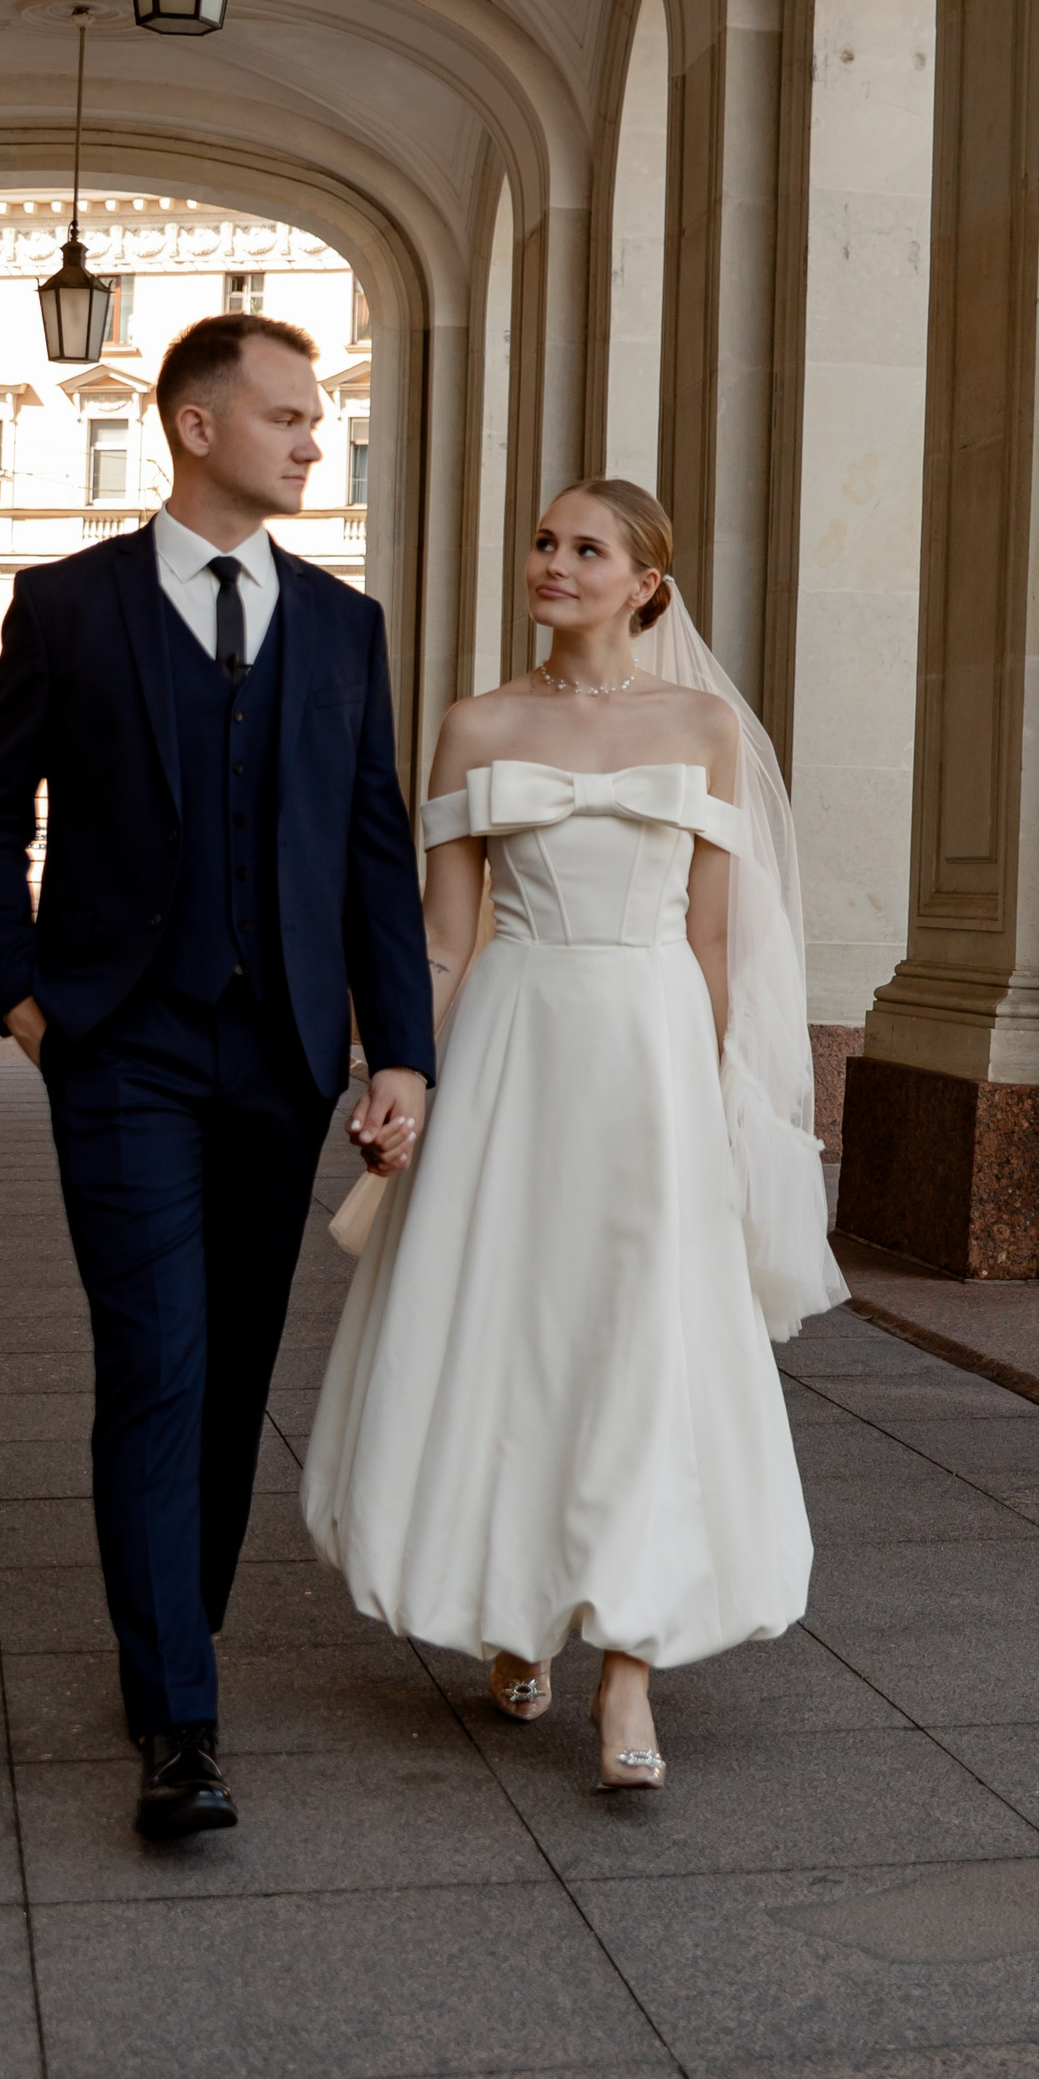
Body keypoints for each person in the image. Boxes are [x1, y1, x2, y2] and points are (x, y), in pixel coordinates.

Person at [0, 314, 434, 1841]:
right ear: (196, 428)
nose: (314, 439)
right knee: (155, 1364)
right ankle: (177, 1721)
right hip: (122, 1052)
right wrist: (24, 1001)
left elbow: (372, 858)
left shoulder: (343, 630)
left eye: (316, 421)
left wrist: (401, 1048)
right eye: (288, 417)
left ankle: (178, 1625)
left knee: (230, 1378)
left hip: (280, 1055)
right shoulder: (71, 607)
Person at [301, 480, 838, 1791]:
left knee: (639, 1342)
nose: (551, 562)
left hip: (650, 1053)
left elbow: (713, 941)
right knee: (516, 1333)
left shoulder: (705, 726)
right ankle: (517, 1604)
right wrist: (398, 1076)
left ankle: (629, 1674)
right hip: (515, 1049)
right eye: (542, 541)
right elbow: (441, 938)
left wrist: (718, 1102)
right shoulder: (477, 724)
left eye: (584, 548)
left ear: (646, 582)